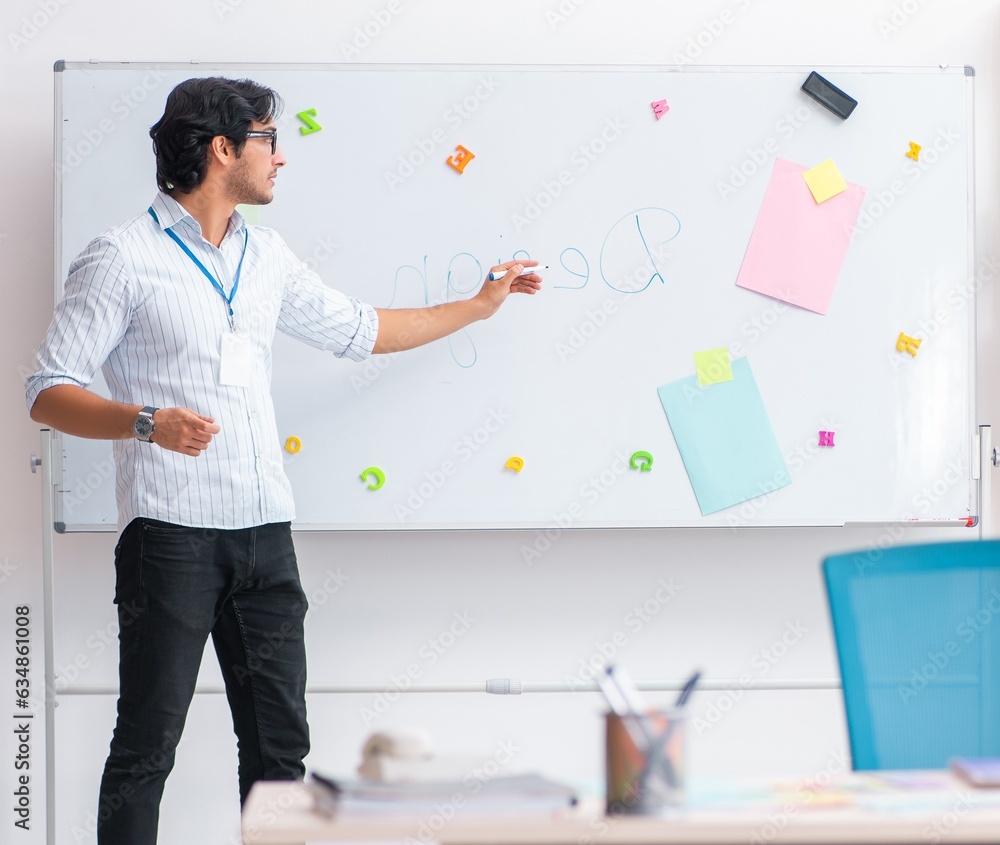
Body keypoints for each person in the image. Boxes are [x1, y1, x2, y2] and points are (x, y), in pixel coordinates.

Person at [25, 76, 540, 844]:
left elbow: (359, 329)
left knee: (279, 753)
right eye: (271, 139)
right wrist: (145, 422)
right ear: (223, 148)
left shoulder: (266, 257)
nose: (282, 159)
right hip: (171, 538)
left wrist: (478, 304)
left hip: (266, 535)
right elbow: (46, 390)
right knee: (146, 750)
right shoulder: (122, 256)